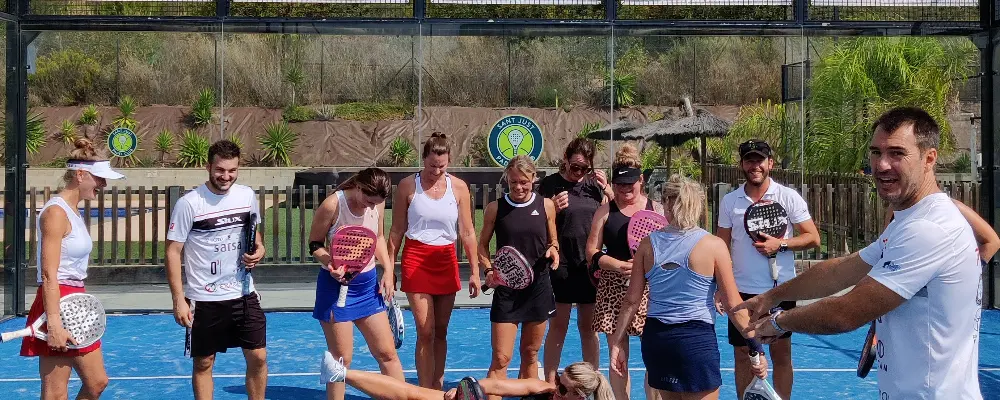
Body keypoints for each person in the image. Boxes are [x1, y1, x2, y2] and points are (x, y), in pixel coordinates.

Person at [735, 107, 985, 399]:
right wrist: (771, 297)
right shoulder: (909, 220)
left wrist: (778, 322)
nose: (882, 165)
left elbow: (846, 313)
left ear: (929, 158)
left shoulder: (929, 228)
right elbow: (844, 269)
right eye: (876, 153)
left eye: (897, 153)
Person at [609, 174, 768, 400]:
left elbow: (631, 301)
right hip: (695, 343)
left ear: (667, 203)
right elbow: (734, 305)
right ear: (697, 205)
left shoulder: (647, 244)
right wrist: (756, 347)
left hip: (658, 342)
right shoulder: (714, 246)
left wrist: (617, 343)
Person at [715, 138, 820, 399]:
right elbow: (721, 247)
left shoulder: (788, 197)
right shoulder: (730, 201)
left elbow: (812, 237)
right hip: (741, 293)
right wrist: (720, 287)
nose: (755, 166)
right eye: (749, 160)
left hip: (780, 291)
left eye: (760, 160)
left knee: (781, 355)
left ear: (770, 163)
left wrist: (780, 244)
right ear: (742, 165)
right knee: (743, 355)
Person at [21, 139, 123, 400]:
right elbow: (48, 274)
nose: (103, 184)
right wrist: (54, 323)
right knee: (56, 393)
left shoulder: (73, 211)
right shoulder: (55, 213)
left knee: (97, 383)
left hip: (76, 303)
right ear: (80, 175)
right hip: (57, 301)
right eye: (99, 178)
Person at [166, 140, 267, 400]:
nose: (226, 176)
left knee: (258, 356)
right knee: (204, 362)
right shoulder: (189, 203)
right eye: (220, 170)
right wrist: (178, 300)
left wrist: (259, 249)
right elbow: (173, 252)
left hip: (244, 293)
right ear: (208, 167)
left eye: (232, 170)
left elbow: (255, 234)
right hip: (204, 298)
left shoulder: (246, 196)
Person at [387, 132, 481, 389]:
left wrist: (475, 272)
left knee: (441, 330)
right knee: (425, 331)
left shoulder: (459, 188)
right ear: (424, 159)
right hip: (416, 258)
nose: (436, 171)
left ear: (448, 161)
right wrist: (388, 270)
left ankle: (437, 388)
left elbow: (468, 232)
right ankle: (425, 389)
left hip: (446, 259)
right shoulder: (407, 185)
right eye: (432, 165)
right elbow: (396, 230)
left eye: (442, 166)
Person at [307, 167, 405, 400]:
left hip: (368, 287)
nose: (371, 207)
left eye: (376, 203)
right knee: (341, 360)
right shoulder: (333, 205)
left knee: (387, 353)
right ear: (359, 188)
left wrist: (388, 270)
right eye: (369, 201)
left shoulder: (377, 203)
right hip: (335, 290)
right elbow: (314, 244)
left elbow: (378, 237)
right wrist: (331, 263)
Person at [584, 143, 661, 400]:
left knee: (654, 355)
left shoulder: (658, 210)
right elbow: (591, 252)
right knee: (618, 355)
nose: (624, 189)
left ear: (641, 180)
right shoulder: (605, 211)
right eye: (619, 184)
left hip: (652, 290)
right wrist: (617, 265)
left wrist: (645, 267)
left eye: (630, 184)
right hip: (613, 289)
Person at [477, 155, 559, 396]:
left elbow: (553, 241)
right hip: (507, 292)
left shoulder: (546, 206)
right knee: (501, 358)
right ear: (507, 180)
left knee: (530, 353)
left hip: (539, 290)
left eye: (524, 182)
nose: (519, 187)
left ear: (534, 178)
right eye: (513, 182)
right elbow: (482, 246)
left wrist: (554, 250)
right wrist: (489, 270)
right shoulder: (495, 208)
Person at [536, 138, 613, 384]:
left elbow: (616, 216)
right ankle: (550, 383)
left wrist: (608, 191)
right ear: (566, 160)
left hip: (588, 265)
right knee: (558, 326)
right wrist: (552, 208)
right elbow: (534, 221)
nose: (578, 172)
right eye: (575, 166)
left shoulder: (595, 187)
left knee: (588, 328)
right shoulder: (550, 184)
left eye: (584, 168)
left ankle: (591, 382)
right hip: (561, 264)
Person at [321, 354, 614, 400]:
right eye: (559, 380)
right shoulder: (541, 389)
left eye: (562, 389)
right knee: (414, 395)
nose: (555, 388)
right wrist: (466, 388)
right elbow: (495, 384)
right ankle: (341, 372)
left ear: (580, 397)